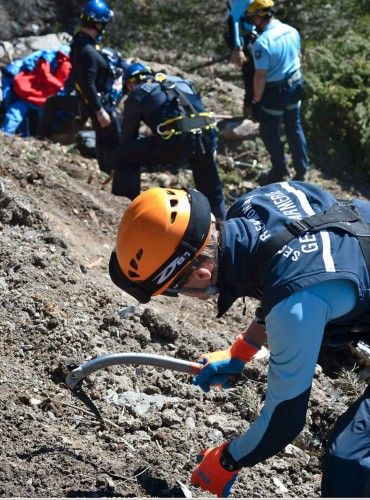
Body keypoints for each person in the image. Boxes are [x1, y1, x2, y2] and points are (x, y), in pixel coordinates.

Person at [109, 182, 370, 497]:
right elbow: (287, 272)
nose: (182, 297)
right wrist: (241, 351)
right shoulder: (254, 204)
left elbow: (284, 423)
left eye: (175, 290)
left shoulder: (295, 303)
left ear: (202, 275)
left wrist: (228, 460)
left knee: (349, 463)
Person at [112, 63, 226, 220]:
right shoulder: (179, 82)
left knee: (125, 153)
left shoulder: (138, 92)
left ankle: (122, 208)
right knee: (212, 192)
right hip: (207, 138)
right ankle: (221, 225)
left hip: (177, 143)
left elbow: (127, 137)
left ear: (131, 83)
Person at [38, 0, 121, 174]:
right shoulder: (86, 50)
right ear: (98, 23)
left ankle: (108, 171)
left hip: (89, 101)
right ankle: (111, 173)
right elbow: (87, 83)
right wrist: (99, 111)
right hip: (96, 103)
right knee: (110, 141)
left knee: (52, 103)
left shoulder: (81, 42)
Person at [246, 0, 309, 185]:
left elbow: (260, 76)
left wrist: (256, 101)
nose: (253, 21)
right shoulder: (291, 30)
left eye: (254, 17)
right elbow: (299, 57)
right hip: (296, 83)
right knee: (294, 126)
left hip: (277, 91)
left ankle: (279, 170)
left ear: (260, 17)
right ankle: (302, 172)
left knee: (268, 130)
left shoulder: (262, 43)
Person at [226, 0, 257, 116]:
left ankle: (253, 109)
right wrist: (238, 48)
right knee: (251, 73)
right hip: (242, 39)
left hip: (251, 35)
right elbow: (233, 20)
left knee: (256, 72)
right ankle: (249, 111)